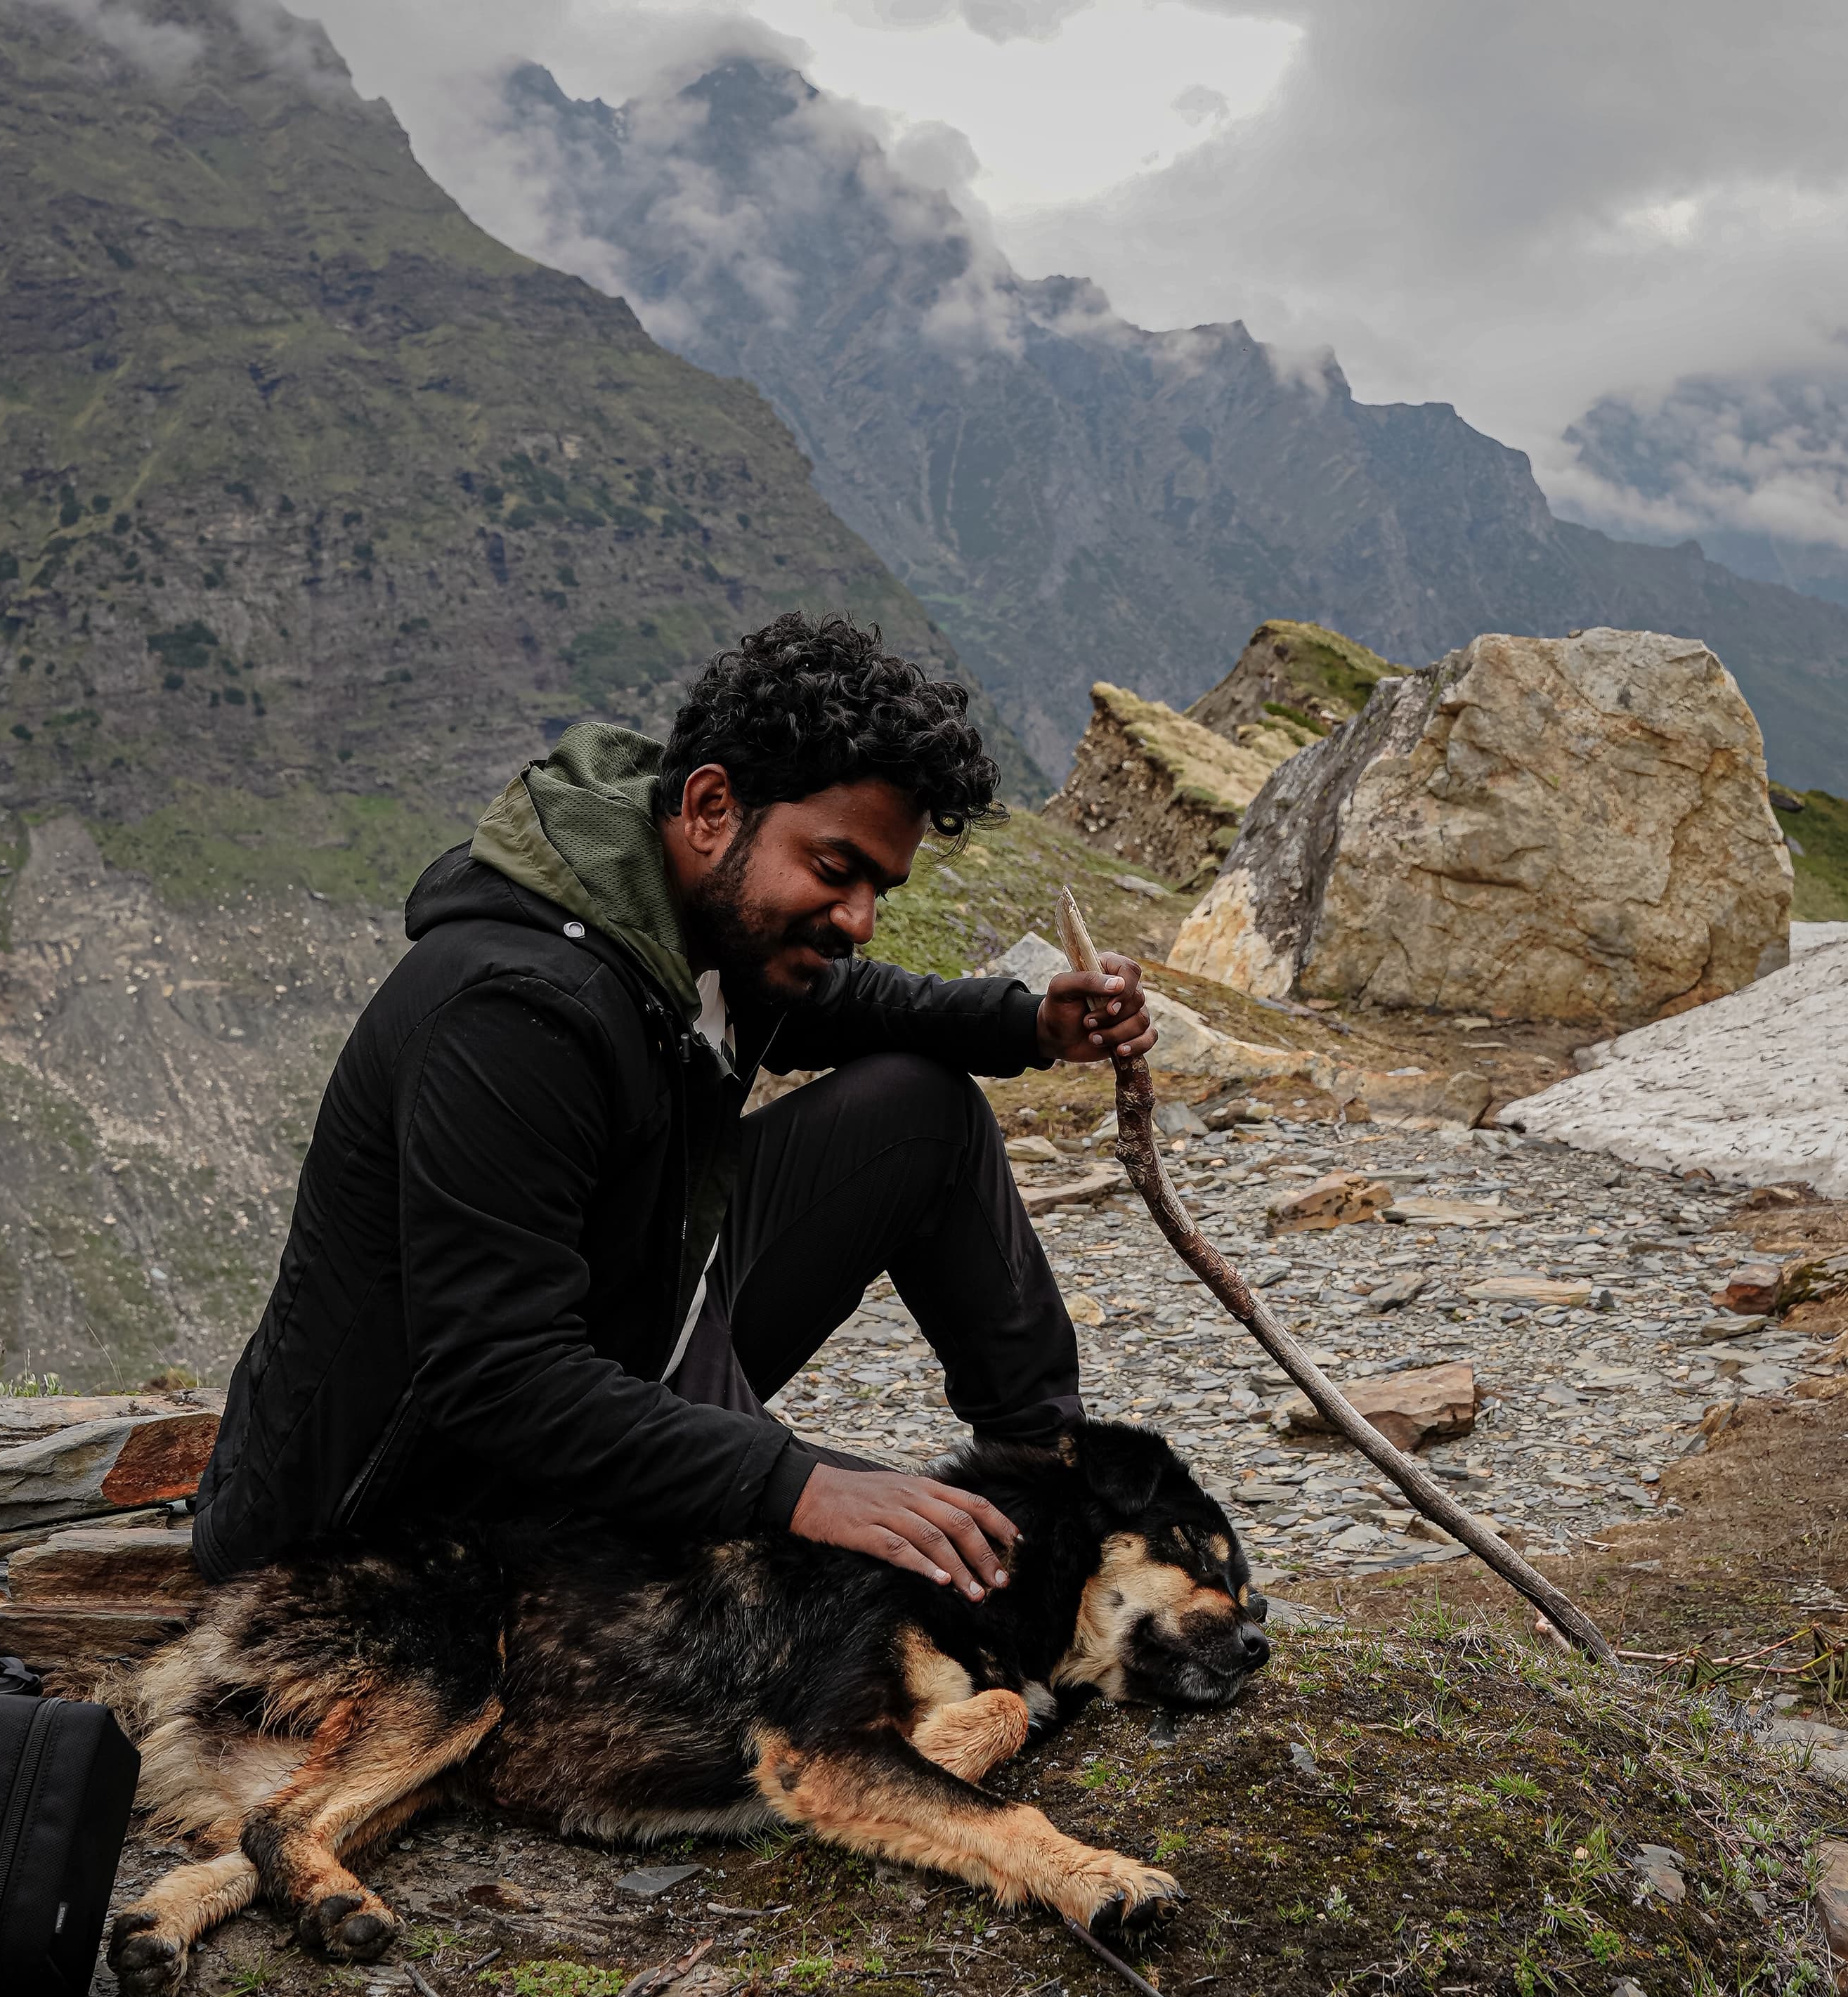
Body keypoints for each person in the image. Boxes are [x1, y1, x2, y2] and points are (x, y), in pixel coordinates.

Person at [190, 612, 1154, 1597]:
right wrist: (794, 1484)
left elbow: (846, 1002)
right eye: (833, 870)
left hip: (626, 1332)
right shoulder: (516, 1010)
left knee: (921, 1107)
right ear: (708, 807)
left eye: (880, 887)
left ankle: (1054, 1480)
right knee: (926, 1574)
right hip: (386, 1517)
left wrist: (1031, 1025)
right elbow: (495, 1375)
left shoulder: (705, 927)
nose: (858, 920)